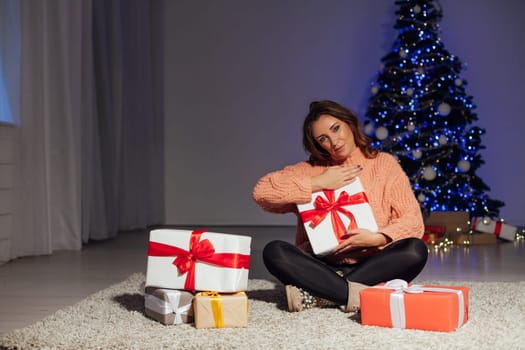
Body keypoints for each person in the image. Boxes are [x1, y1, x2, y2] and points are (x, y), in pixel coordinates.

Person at [252, 100, 428, 312]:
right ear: (317, 145)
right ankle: (354, 292)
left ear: (349, 123)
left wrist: (377, 237)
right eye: (323, 139)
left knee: (415, 251)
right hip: (321, 264)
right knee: (275, 251)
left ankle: (320, 294)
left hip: (374, 263)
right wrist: (319, 182)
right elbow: (262, 192)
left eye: (336, 129)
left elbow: (413, 220)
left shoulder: (384, 163)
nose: (334, 141)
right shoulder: (311, 170)